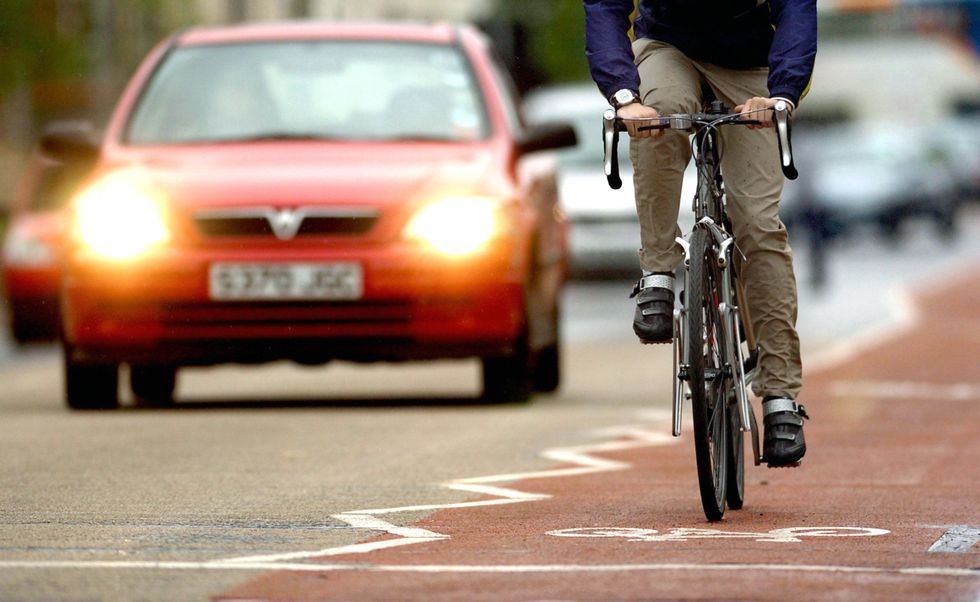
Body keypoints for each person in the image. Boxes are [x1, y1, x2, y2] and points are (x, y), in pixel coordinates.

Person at [583, 0, 816, 467]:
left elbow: (796, 9)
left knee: (756, 222)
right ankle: (657, 273)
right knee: (660, 115)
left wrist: (781, 94)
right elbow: (605, 8)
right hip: (669, 49)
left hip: (752, 63)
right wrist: (625, 97)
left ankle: (780, 398)